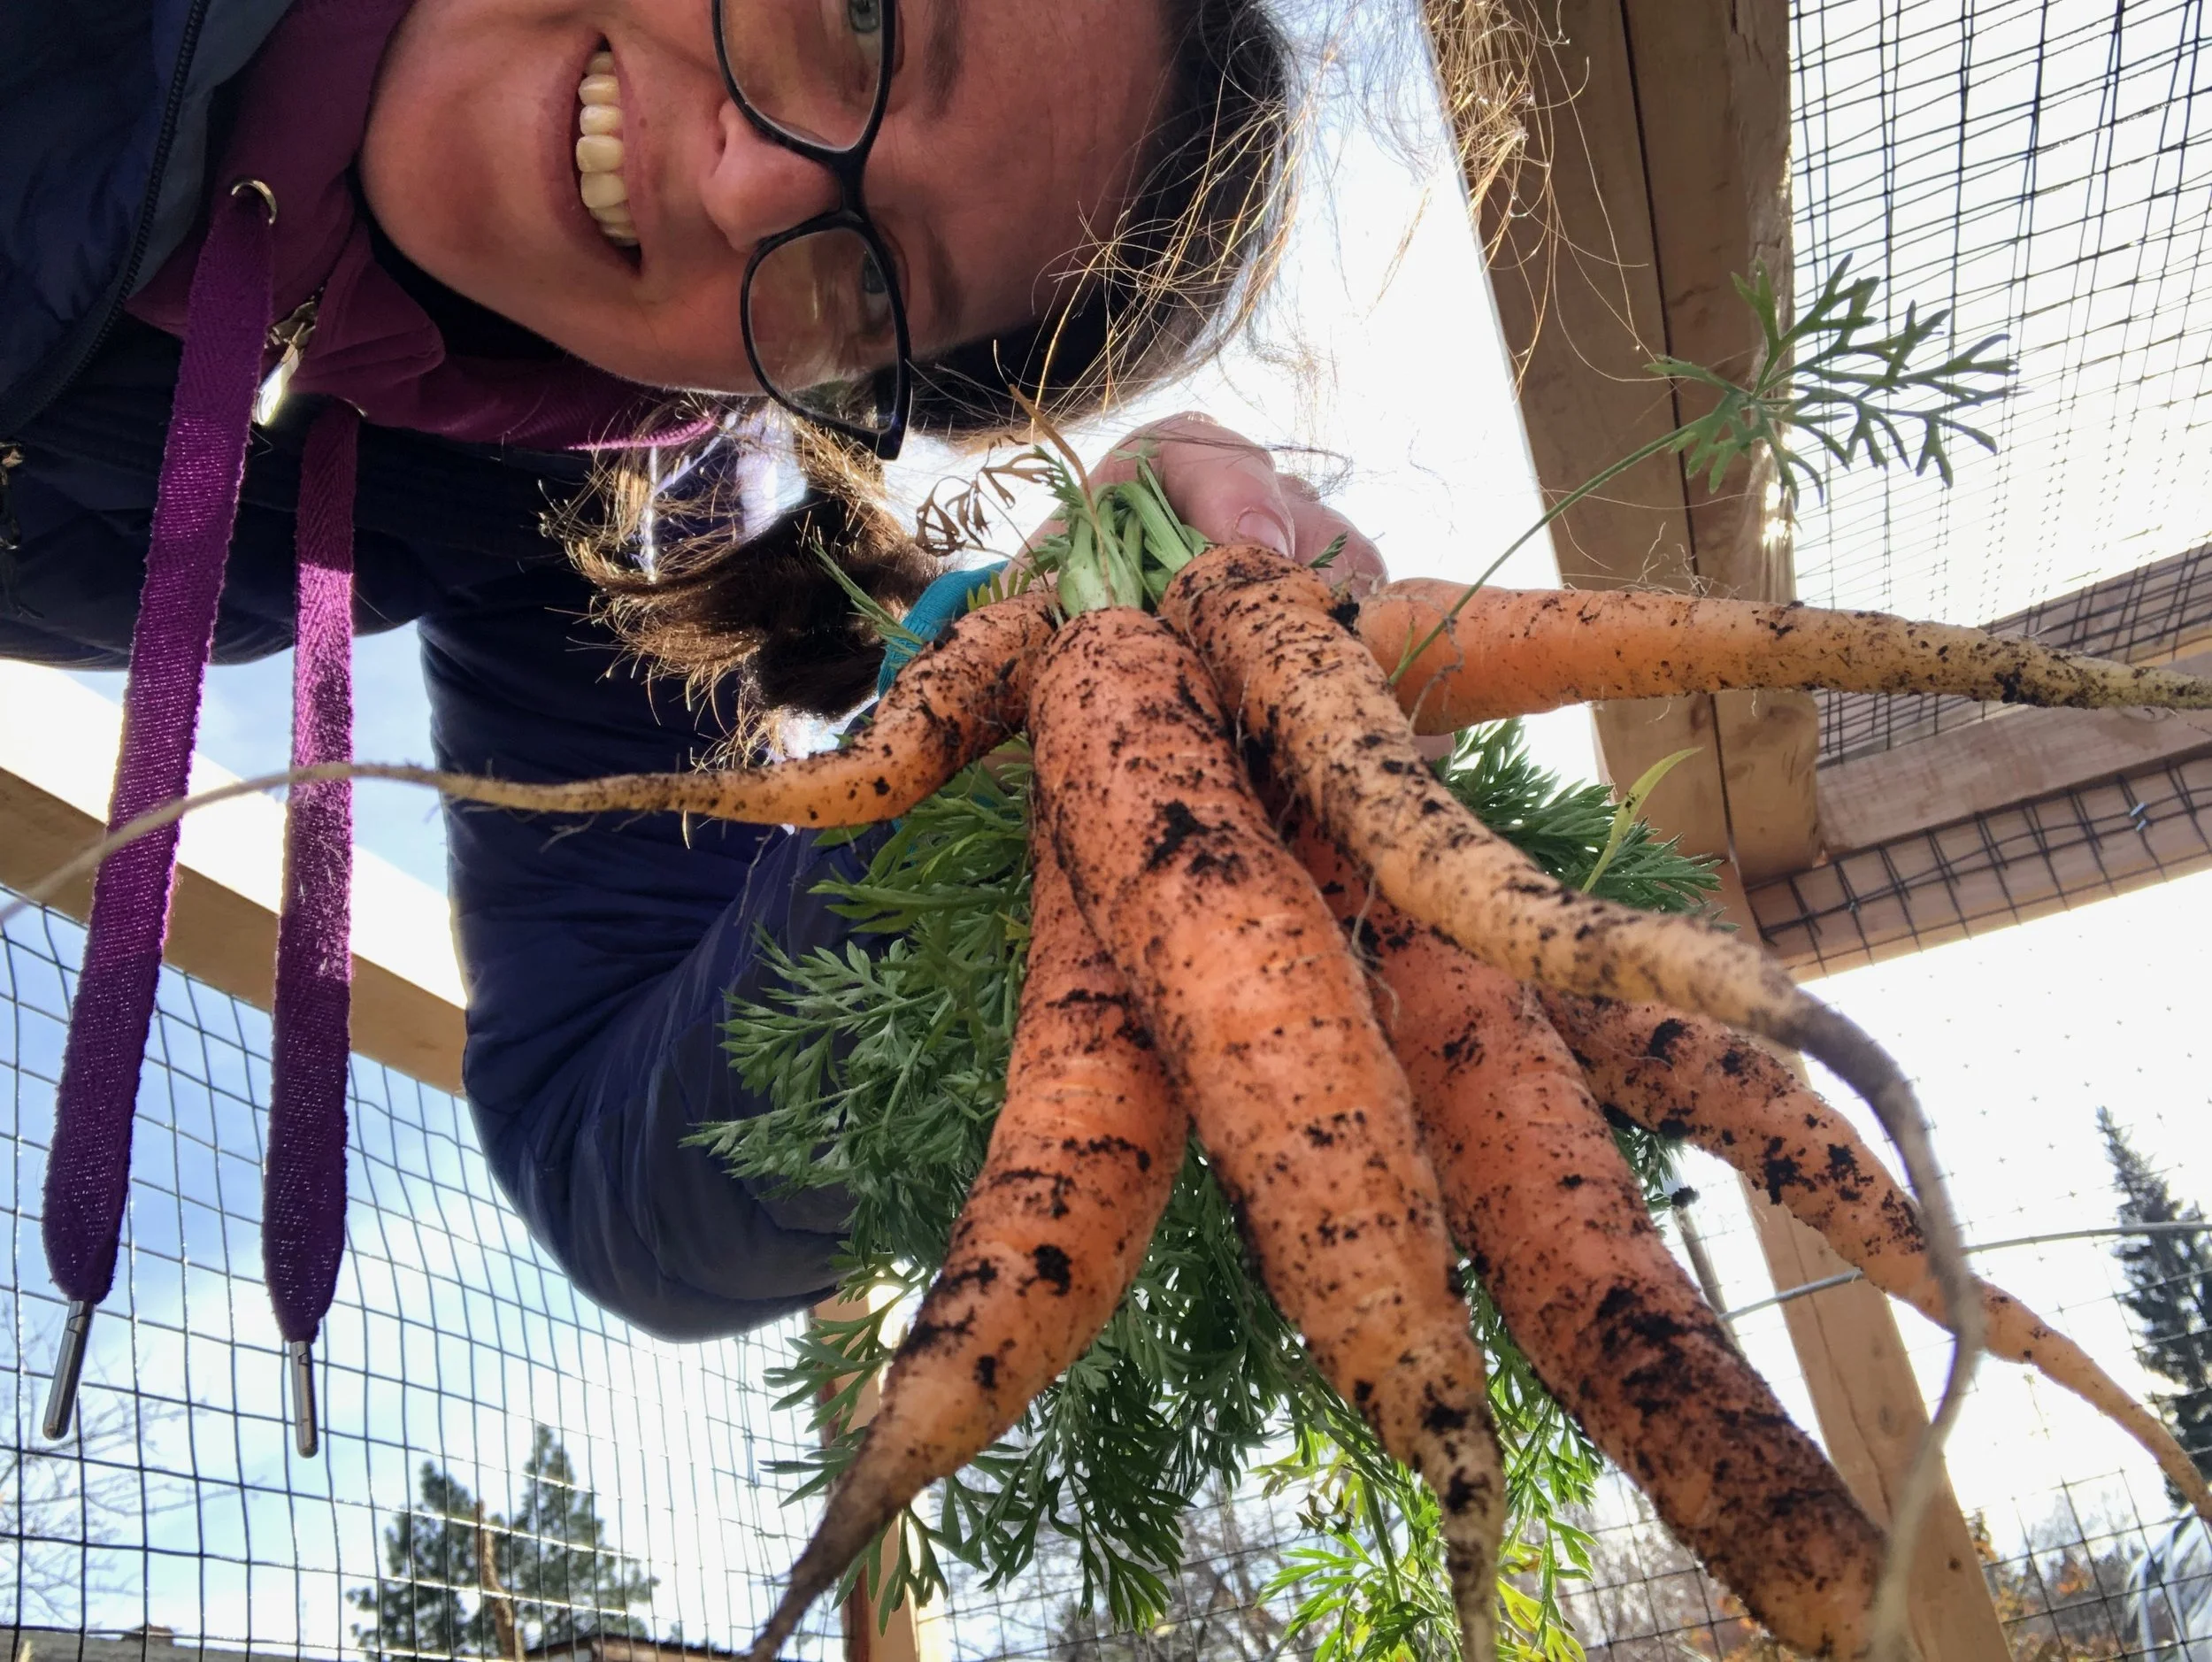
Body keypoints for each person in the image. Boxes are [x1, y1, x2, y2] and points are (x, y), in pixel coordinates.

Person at [0, 0, 1386, 1358]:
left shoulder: (580, 516)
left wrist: (1033, 747)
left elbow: (619, 1160)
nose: (748, 182)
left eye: (868, 284)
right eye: (861, 21)